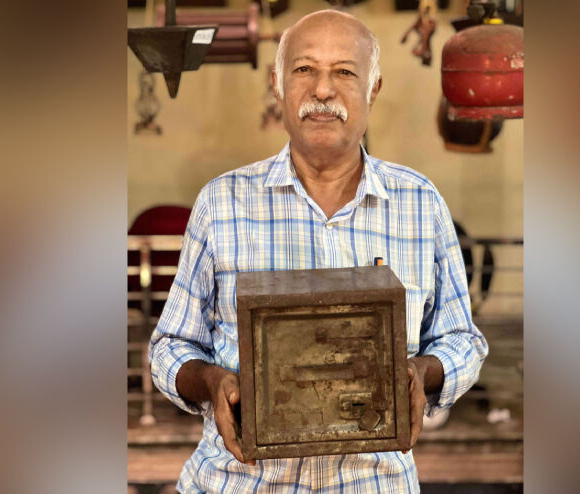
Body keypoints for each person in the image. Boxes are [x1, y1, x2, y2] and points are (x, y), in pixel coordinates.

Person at [149, 9, 488, 493]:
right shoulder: (222, 203)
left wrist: (421, 372)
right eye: (304, 69)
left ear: (373, 88)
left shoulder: (420, 202)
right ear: (277, 84)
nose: (323, 90)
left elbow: (462, 340)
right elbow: (169, 346)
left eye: (345, 72)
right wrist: (210, 381)